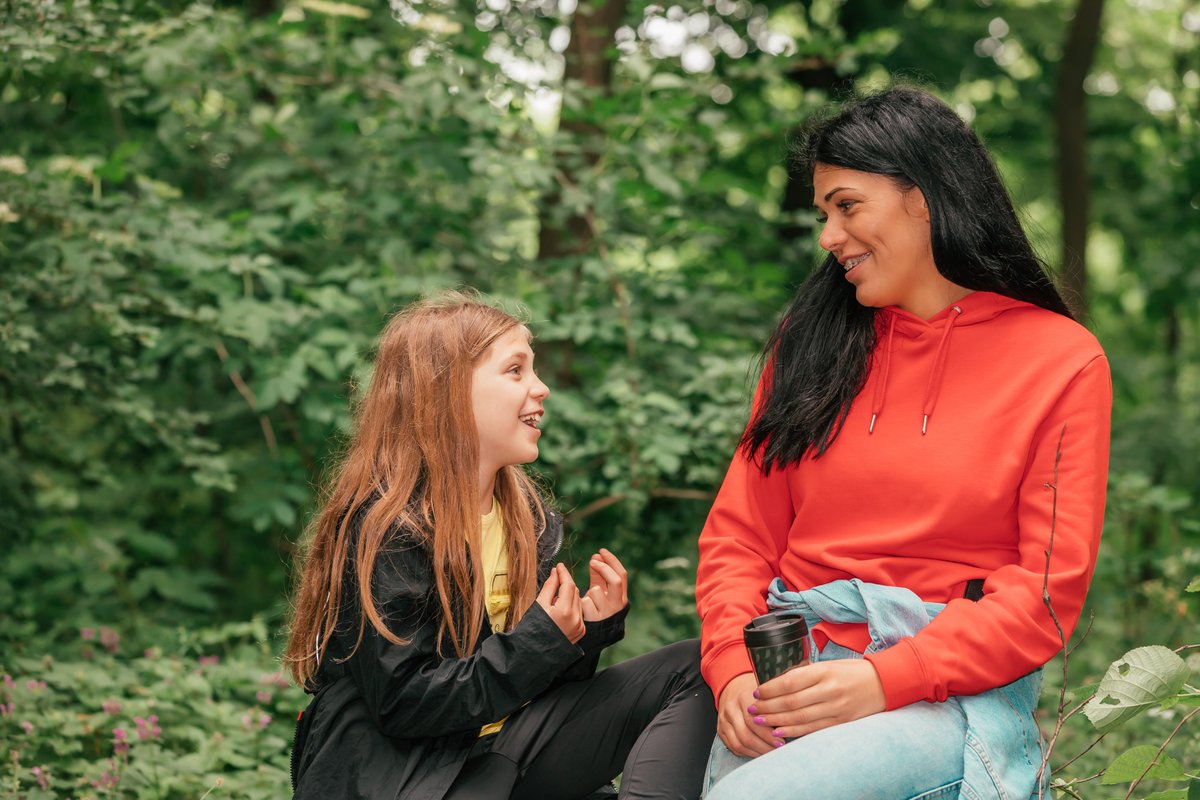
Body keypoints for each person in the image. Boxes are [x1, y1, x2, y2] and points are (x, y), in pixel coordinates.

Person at [695, 87, 1112, 799]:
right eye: (824, 213)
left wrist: (884, 679)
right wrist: (733, 665)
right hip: (790, 670)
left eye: (847, 206)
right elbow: (739, 538)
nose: (828, 235)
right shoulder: (811, 347)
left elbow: (1042, 596)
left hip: (949, 692)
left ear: (923, 198)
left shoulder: (1061, 360)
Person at [285, 293, 715, 800]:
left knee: (698, 665)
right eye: (515, 371)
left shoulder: (526, 521)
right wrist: (540, 642)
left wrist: (582, 635)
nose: (542, 388)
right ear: (445, 393)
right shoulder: (385, 527)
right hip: (409, 776)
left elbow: (529, 686)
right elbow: (403, 704)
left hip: (504, 755)